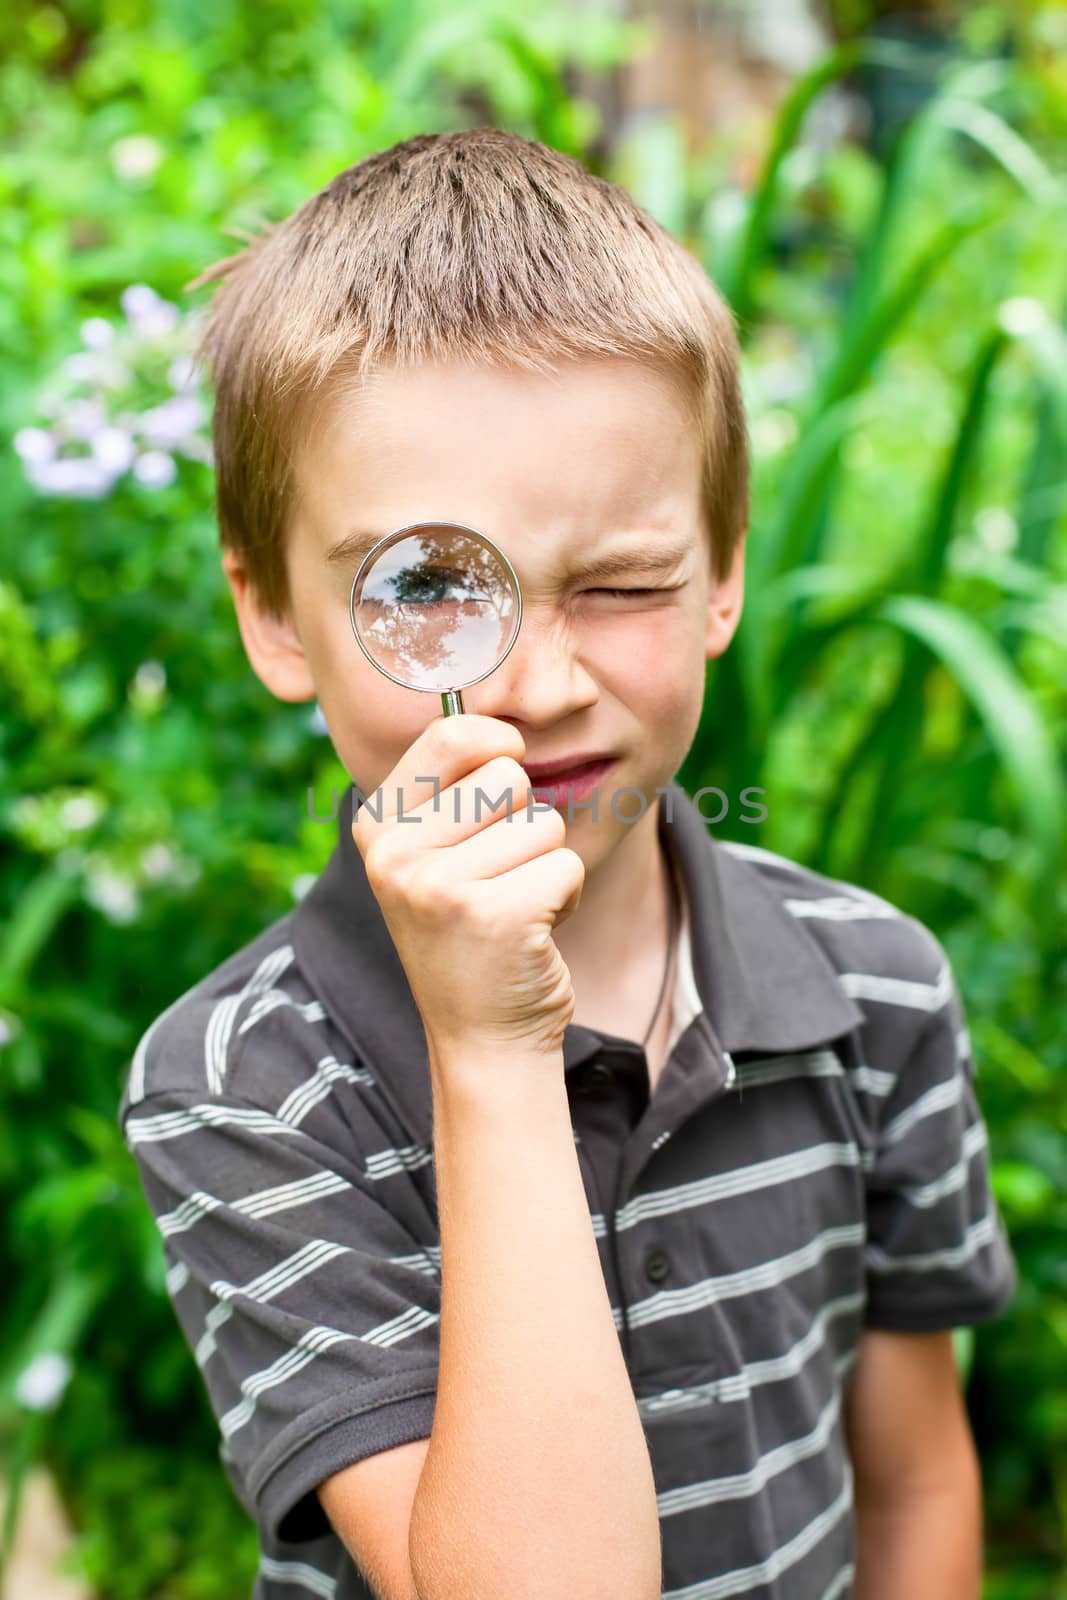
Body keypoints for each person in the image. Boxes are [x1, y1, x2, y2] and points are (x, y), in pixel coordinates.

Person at [118, 128, 1017, 1600]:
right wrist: (488, 1049)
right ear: (273, 613)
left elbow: (914, 1475)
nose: (536, 682)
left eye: (620, 585)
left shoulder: (875, 988)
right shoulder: (243, 1082)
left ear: (723, 571)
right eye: (425, 587)